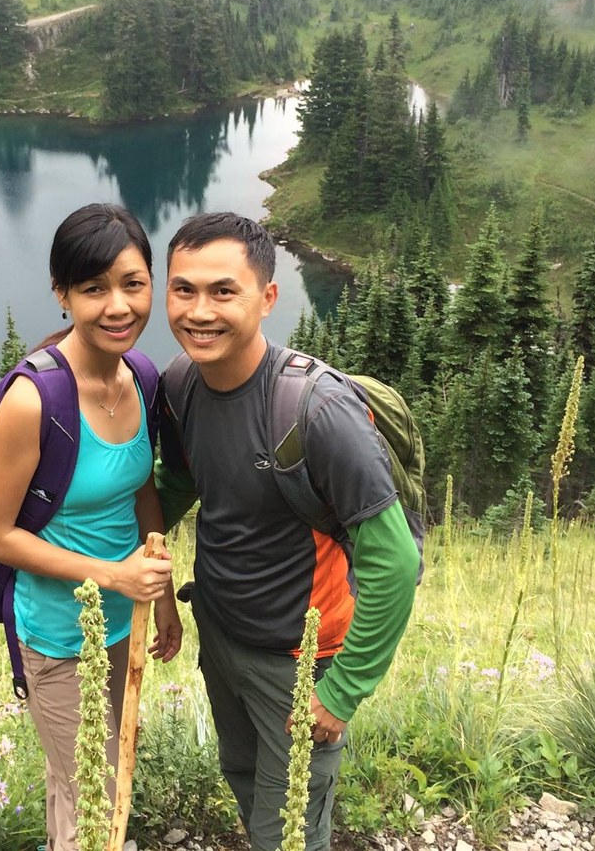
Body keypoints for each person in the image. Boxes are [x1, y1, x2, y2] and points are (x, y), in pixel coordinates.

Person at [158, 211, 421, 851]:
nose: (199, 311)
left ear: (268, 297)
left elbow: (395, 562)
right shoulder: (181, 384)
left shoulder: (317, 412)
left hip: (301, 663)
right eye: (184, 290)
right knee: (247, 782)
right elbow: (181, 483)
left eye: (224, 291)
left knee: (291, 832)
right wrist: (109, 556)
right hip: (222, 635)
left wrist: (342, 691)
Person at [0, 203, 182, 851]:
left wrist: (162, 597)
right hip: (58, 636)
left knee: (87, 776)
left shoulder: (141, 377)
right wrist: (114, 575)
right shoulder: (33, 400)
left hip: (123, 624)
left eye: (133, 284)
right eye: (94, 288)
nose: (118, 306)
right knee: (97, 795)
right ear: (62, 293)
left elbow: (141, 488)